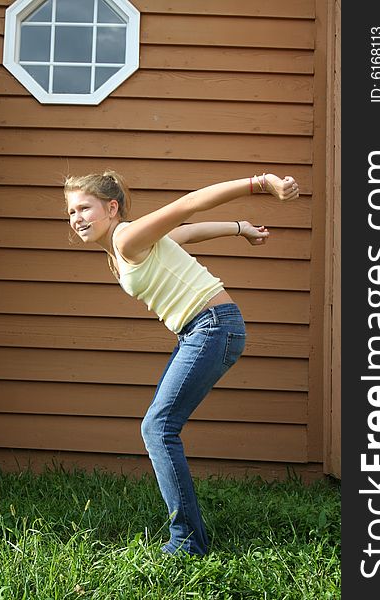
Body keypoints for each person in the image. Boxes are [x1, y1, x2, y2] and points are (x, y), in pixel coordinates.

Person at [64, 171, 299, 556]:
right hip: (202, 330)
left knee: (158, 429)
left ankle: (187, 542)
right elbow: (187, 233)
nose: (77, 219)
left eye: (84, 208)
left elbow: (188, 204)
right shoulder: (123, 248)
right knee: (158, 427)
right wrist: (240, 228)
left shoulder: (126, 236)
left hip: (213, 327)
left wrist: (260, 183)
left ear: (111, 207)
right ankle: (187, 537)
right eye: (71, 212)